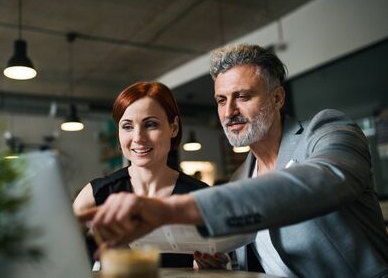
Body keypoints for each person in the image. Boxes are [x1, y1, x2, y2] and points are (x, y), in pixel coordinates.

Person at [79, 44, 388, 277]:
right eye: (221, 100)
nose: (229, 113)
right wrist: (220, 262)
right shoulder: (241, 176)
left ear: (277, 98)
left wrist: (169, 208)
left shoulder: (328, 132)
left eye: (242, 96)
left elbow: (319, 182)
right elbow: (251, 259)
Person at [73, 81, 209, 268]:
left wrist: (210, 267)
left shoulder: (200, 196)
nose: (138, 138)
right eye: (127, 126)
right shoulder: (96, 194)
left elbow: (223, 262)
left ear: (174, 127)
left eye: (150, 124)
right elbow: (55, 258)